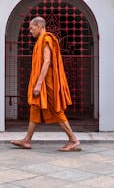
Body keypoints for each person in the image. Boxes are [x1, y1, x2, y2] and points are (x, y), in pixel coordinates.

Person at [10, 16, 81, 151]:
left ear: (39, 26)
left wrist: (39, 83)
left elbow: (47, 62)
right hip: (43, 82)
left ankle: (73, 140)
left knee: (56, 110)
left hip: (48, 83)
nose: (30, 31)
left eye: (32, 28)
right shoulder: (39, 42)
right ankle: (27, 140)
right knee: (35, 108)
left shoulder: (47, 39)